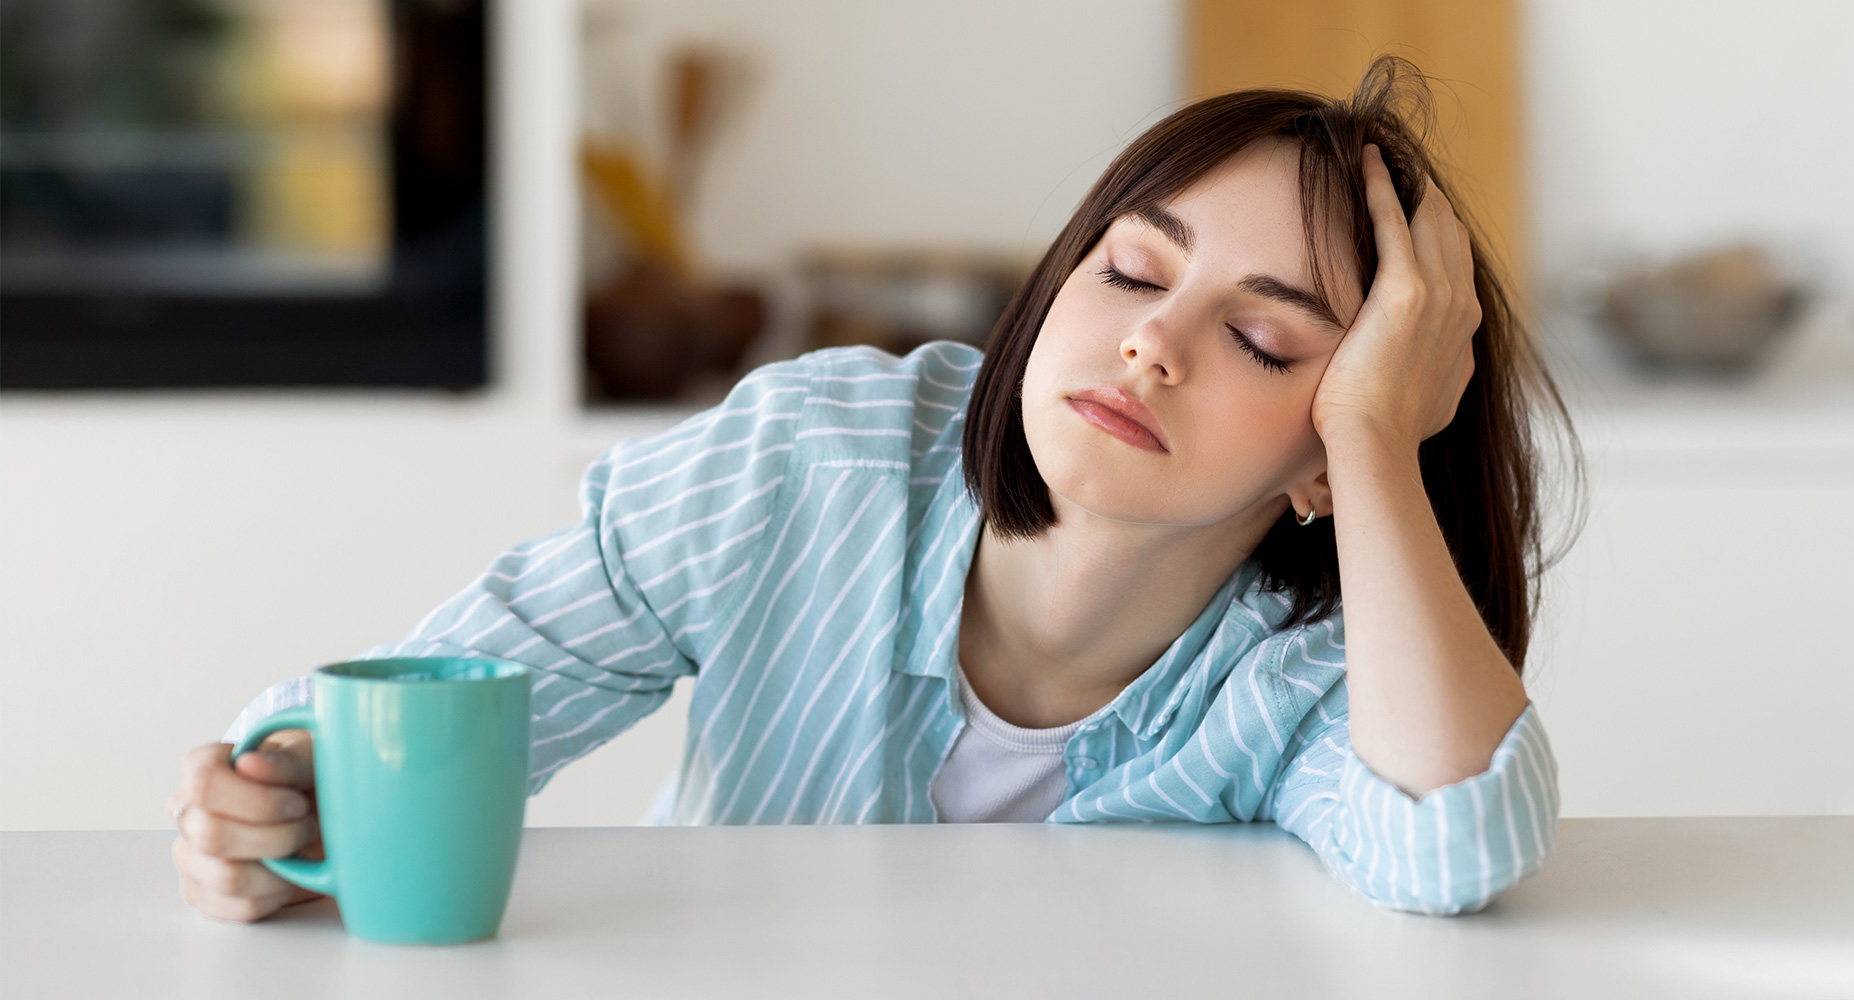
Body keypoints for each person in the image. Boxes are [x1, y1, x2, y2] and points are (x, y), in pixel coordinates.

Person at [169, 56, 1574, 921]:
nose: (1152, 340)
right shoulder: (813, 458)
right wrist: (286, 794)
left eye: (1265, 339)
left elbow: (1452, 840)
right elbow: (435, 705)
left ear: (1334, 443)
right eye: (1133, 271)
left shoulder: (1310, 675)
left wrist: (1382, 445)